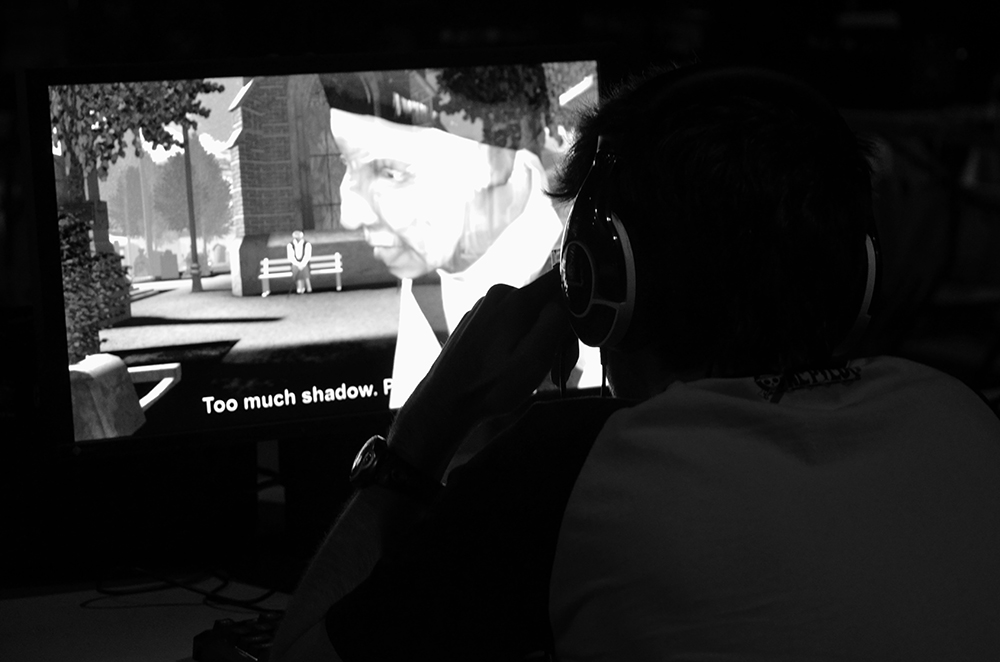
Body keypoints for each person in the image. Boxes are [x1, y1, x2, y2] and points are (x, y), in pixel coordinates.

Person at [272, 64, 1000, 661]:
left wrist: (426, 428)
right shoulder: (961, 419)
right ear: (857, 275)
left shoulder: (565, 471)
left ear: (602, 280)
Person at [330, 107, 602, 405]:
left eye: (391, 172)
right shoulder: (424, 288)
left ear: (498, 162)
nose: (349, 216)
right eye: (347, 163)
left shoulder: (599, 293)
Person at [287, 230, 313, 294]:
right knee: (295, 267)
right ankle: (300, 287)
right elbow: (291, 257)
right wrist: (298, 264)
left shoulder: (307, 244)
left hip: (305, 264)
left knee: (305, 268)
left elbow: (307, 256)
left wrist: (302, 264)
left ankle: (307, 287)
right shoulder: (290, 245)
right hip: (295, 264)